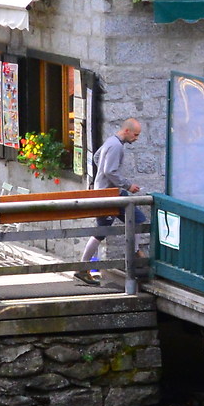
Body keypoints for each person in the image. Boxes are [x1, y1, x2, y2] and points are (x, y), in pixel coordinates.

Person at [76, 118, 142, 285]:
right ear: (127, 131)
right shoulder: (116, 146)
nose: (136, 138)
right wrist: (127, 185)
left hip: (110, 192)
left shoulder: (111, 141)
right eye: (135, 135)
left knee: (135, 219)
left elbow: (97, 157)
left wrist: (103, 178)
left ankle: (135, 253)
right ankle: (134, 255)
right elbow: (109, 171)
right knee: (103, 230)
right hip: (109, 194)